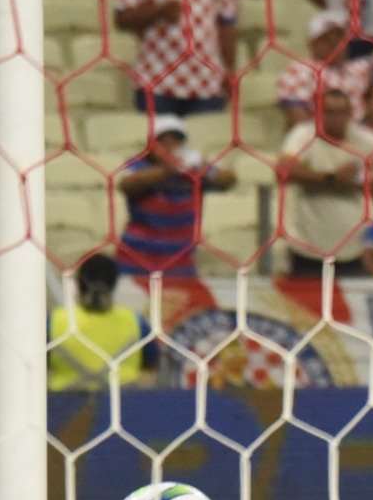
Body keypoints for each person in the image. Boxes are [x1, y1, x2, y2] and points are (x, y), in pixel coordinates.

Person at [276, 88, 373, 276]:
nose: (335, 118)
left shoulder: (361, 137)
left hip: (356, 251)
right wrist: (333, 179)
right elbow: (284, 169)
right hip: (308, 251)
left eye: (341, 112)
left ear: (350, 113)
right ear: (317, 113)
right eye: (329, 112)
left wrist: (368, 178)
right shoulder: (304, 134)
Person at [115, 114, 238, 275]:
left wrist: (201, 169)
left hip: (180, 263)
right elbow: (125, 184)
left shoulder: (193, 168)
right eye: (162, 140)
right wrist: (167, 170)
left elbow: (228, 181)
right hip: (136, 261)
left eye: (176, 140)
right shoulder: (139, 164)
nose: (170, 145)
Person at [47, 253, 158, 390]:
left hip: (65, 406)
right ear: (114, 284)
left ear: (79, 284)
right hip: (123, 404)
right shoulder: (136, 322)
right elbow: (151, 368)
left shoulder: (54, 321)